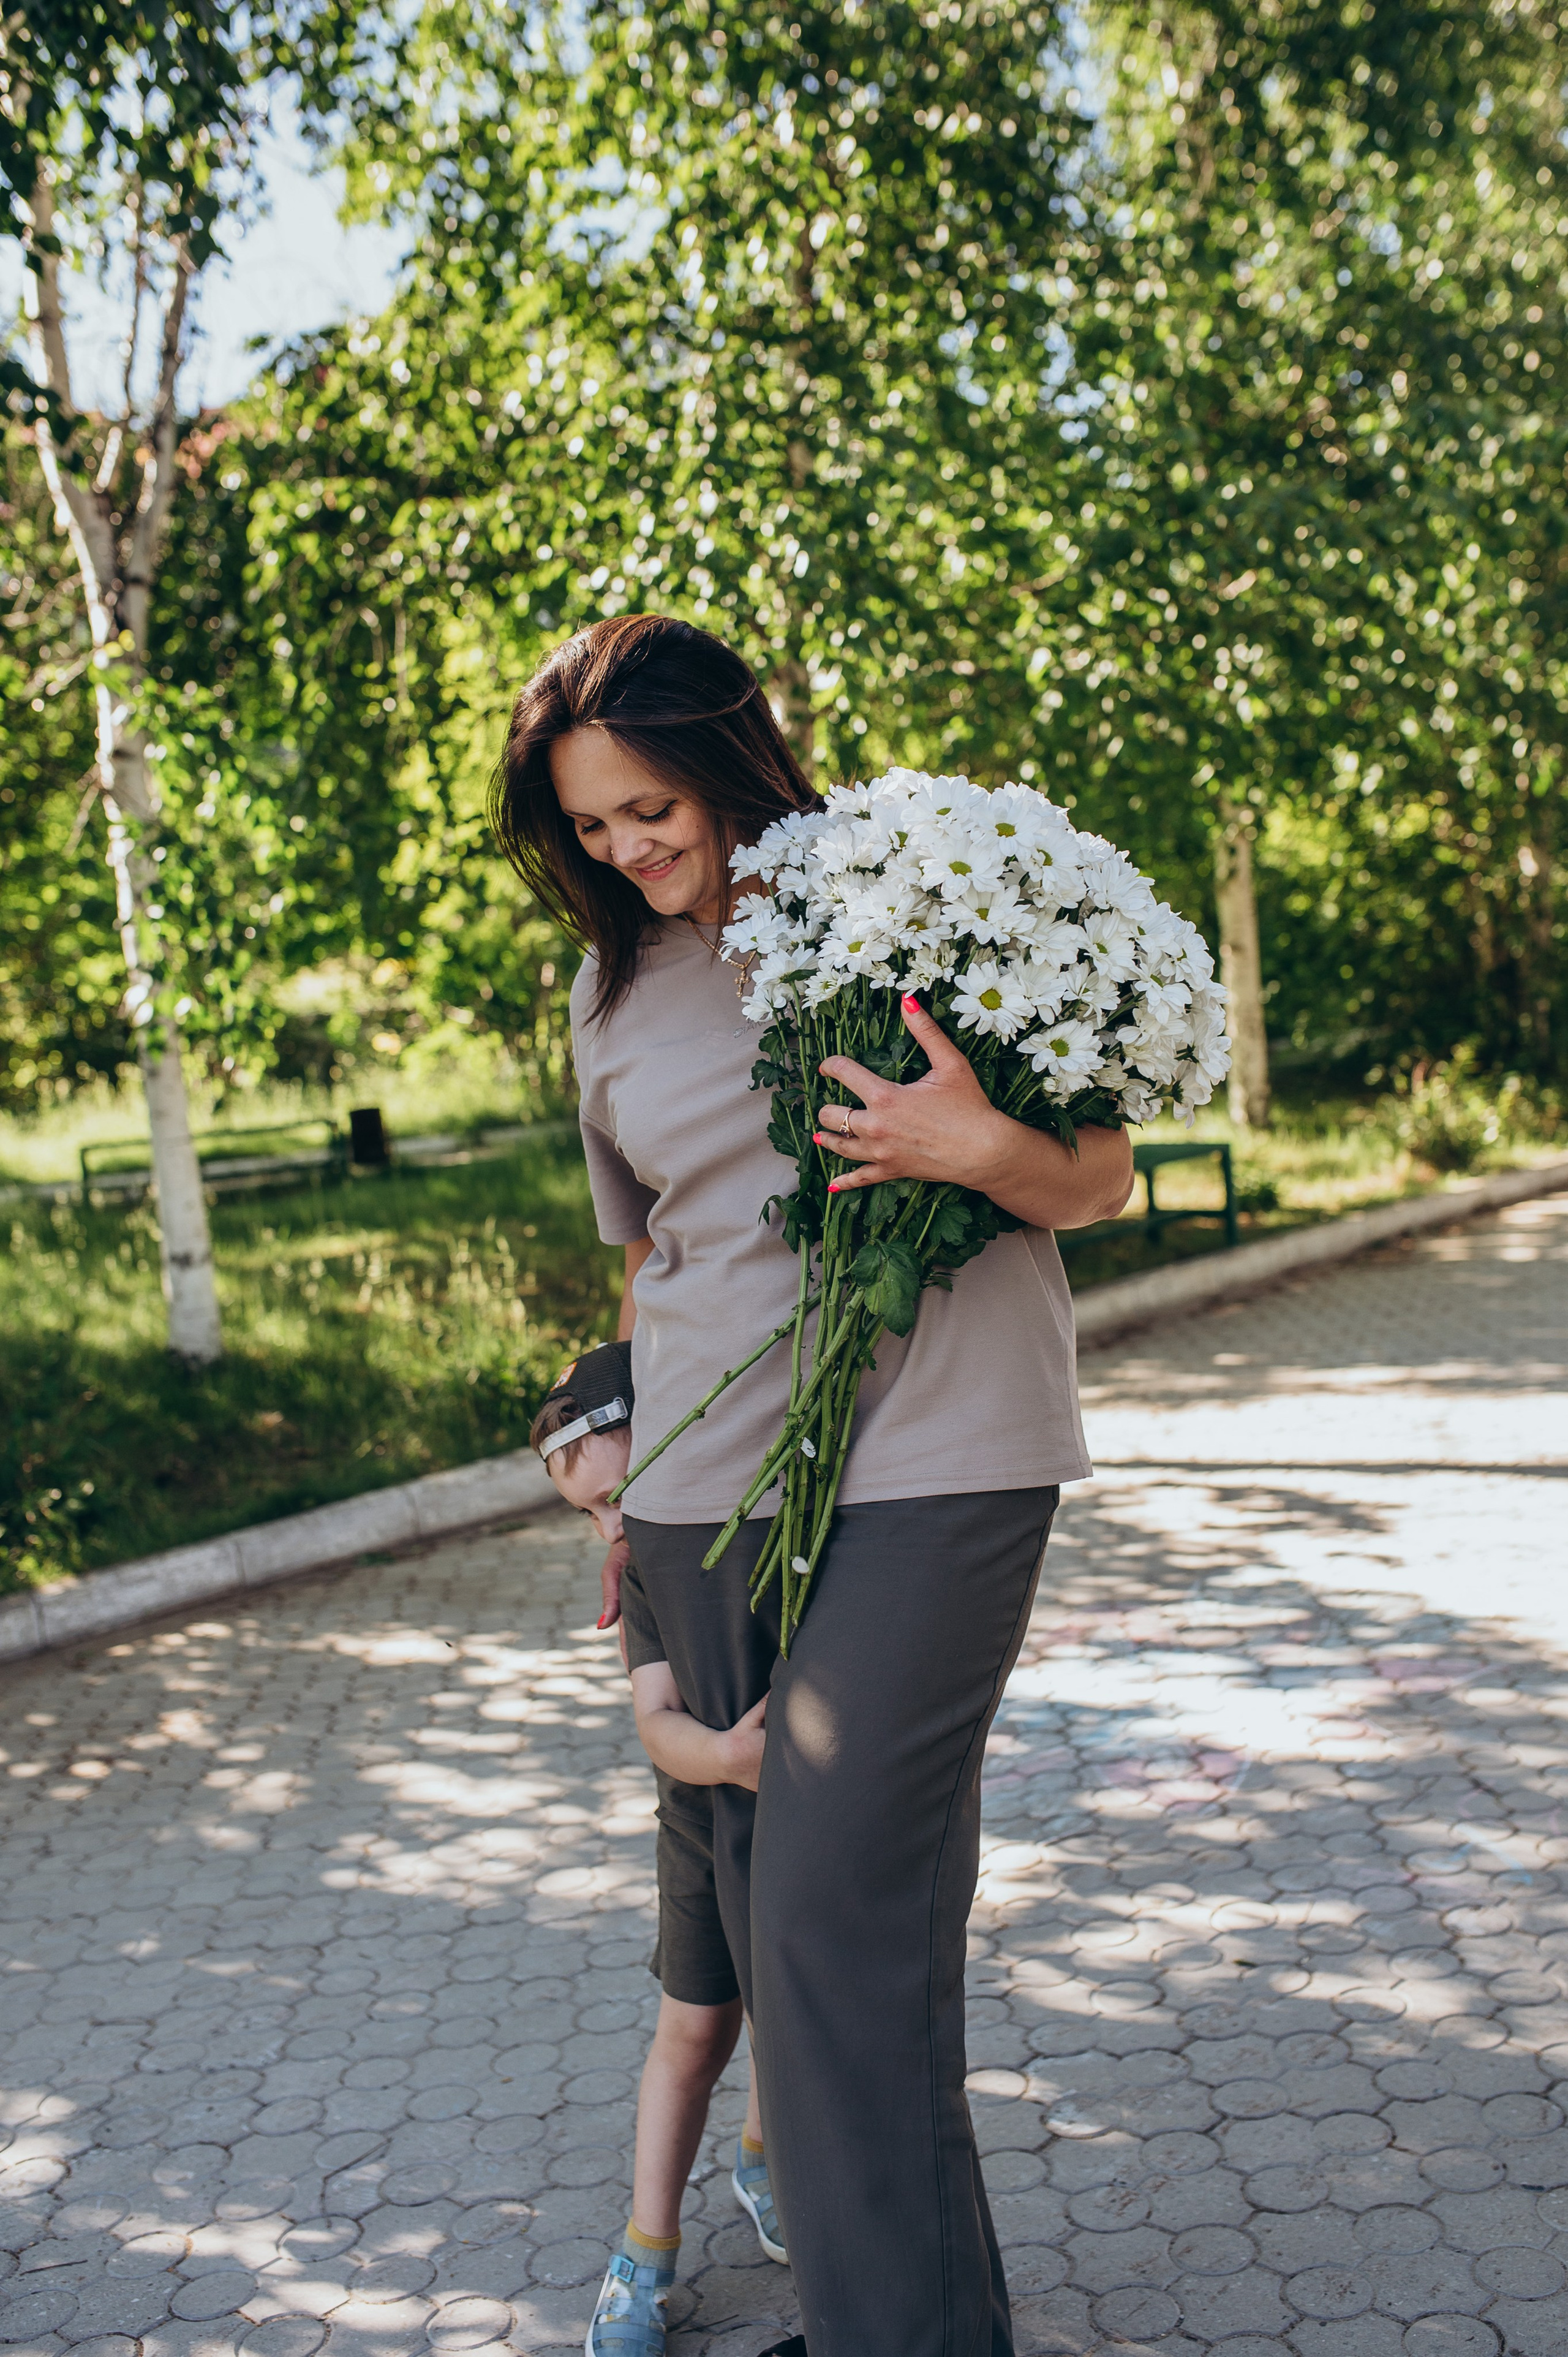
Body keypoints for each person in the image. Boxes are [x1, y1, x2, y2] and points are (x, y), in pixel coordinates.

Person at [493, 615, 1133, 2357]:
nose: (625, 850)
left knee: (833, 1908)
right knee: (793, 1941)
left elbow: (1099, 1174)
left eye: (648, 809)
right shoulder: (609, 987)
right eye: (588, 828)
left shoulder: (909, 900)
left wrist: (976, 1149)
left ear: (726, 759)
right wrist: (607, 1470)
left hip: (944, 1442)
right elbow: (655, 1260)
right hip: (709, 1486)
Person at [531, 1343, 787, 2357]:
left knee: (786, 2011)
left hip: (803, 1815)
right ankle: (645, 2254)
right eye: (587, 1513)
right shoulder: (644, 1579)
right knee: (696, 2028)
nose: (609, 1528)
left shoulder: (778, 1507)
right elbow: (656, 1723)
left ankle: (764, 2159)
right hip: (704, 1823)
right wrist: (727, 1758)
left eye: (614, 1496)